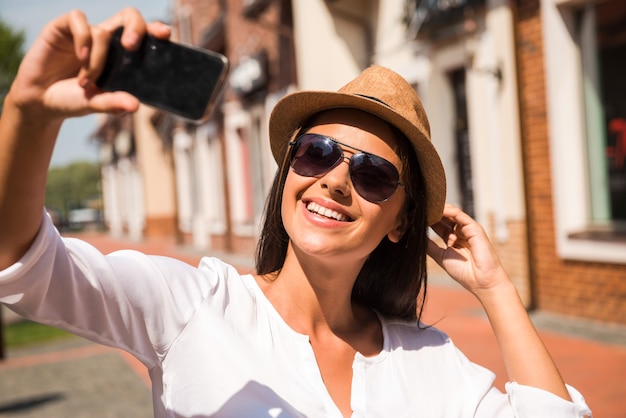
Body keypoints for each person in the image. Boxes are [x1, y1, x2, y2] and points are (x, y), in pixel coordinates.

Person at [0, 8, 591, 418]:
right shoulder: (192, 307)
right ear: (289, 171)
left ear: (401, 223)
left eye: (374, 175)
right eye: (317, 153)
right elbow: (25, 268)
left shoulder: (429, 359)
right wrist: (29, 114)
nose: (334, 180)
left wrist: (495, 288)